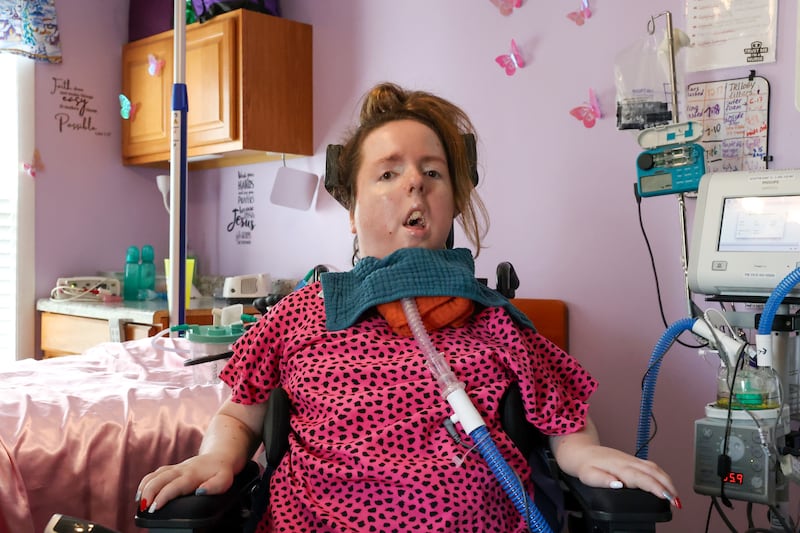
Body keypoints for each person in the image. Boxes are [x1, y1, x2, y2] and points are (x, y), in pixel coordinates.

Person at [137, 82, 679, 532]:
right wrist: (215, 458)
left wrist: (584, 457)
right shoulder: (302, 313)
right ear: (351, 211)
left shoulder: (496, 321)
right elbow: (239, 412)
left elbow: (564, 422)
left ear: (452, 203)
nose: (415, 182)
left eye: (433, 171)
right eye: (388, 173)